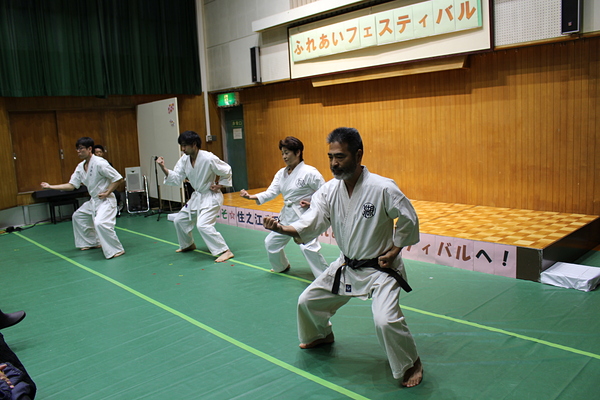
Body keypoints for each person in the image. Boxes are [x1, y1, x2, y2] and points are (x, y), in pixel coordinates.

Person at [263, 127, 423, 388]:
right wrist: (282, 228)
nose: (334, 164)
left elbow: (408, 217)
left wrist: (395, 248)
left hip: (382, 269)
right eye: (330, 157)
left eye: (340, 157)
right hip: (347, 266)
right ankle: (321, 334)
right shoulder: (328, 191)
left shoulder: (382, 187)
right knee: (307, 301)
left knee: (384, 320)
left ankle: (411, 362)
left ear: (358, 154)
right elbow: (311, 222)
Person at [240, 137, 328, 278]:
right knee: (271, 243)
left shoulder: (310, 172)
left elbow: (325, 193)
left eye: (287, 153)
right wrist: (251, 197)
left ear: (298, 152)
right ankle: (281, 266)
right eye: (282, 153)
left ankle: (325, 277)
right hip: (287, 215)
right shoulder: (281, 173)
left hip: (304, 216)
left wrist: (312, 203)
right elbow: (271, 192)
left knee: (309, 248)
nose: (284, 157)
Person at [156, 131, 234, 263]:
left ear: (194, 144)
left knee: (203, 225)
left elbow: (226, 170)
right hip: (197, 197)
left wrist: (220, 185)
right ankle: (188, 244)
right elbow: (176, 177)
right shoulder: (184, 159)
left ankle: (225, 251)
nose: (182, 149)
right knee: (180, 220)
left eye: (185, 145)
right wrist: (163, 167)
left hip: (210, 196)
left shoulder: (208, 158)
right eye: (181, 145)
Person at [41, 137, 125, 259]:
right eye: (77, 149)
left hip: (106, 200)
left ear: (89, 149)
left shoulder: (100, 163)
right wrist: (50, 187)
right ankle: (92, 242)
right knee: (78, 216)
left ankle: (116, 249)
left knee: (100, 223)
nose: (78, 151)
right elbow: (71, 185)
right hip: (94, 201)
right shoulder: (81, 167)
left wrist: (107, 192)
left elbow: (118, 178)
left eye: (81, 149)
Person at [92, 145, 123, 214]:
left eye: (100, 152)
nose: (99, 154)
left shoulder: (106, 164)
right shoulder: (91, 165)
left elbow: (117, 178)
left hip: (108, 187)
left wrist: (108, 190)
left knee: (117, 194)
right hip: (98, 190)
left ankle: (116, 209)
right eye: (97, 152)